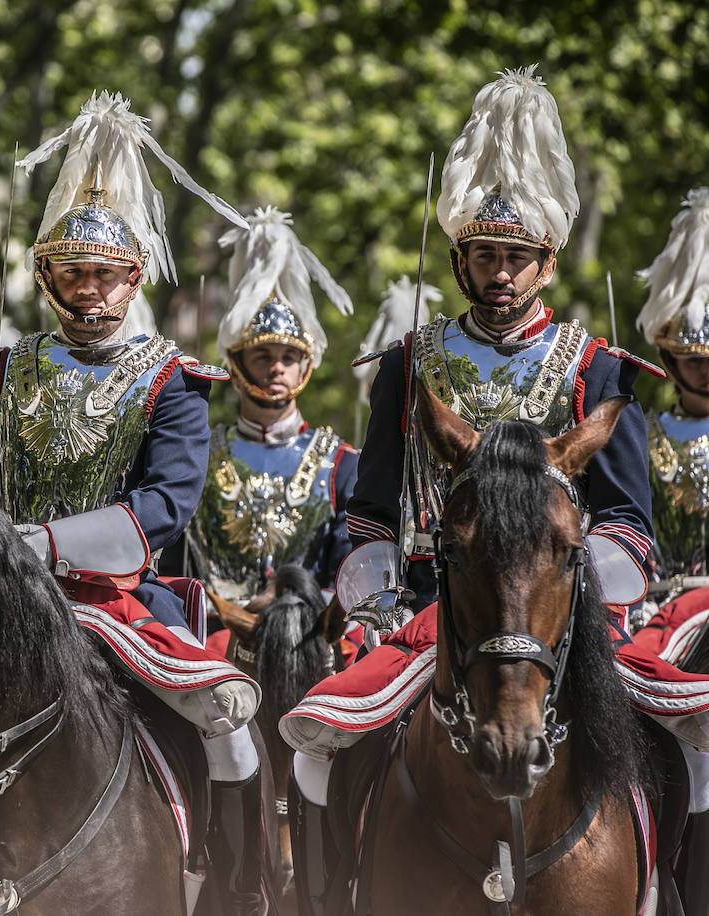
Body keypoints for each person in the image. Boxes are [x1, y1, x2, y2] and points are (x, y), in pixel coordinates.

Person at [279, 66, 709, 914]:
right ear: (459, 261)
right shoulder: (407, 368)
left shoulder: (599, 368)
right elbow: (368, 511)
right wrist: (374, 598)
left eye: (516, 258)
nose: (501, 273)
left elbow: (627, 522)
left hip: (565, 614)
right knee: (316, 748)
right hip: (436, 611)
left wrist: (583, 585)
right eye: (485, 257)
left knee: (692, 742)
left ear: (546, 262)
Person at [0, 91, 264, 914]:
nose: (90, 291)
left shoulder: (172, 380)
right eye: (73, 273)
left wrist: (37, 545)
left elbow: (164, 504)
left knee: (227, 727)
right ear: (47, 278)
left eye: (106, 275)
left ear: (134, 278)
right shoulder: (1, 371)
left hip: (117, 596)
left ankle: (236, 883)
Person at [187, 207, 357, 621]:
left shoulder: (342, 463)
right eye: (263, 355)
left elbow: (348, 573)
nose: (277, 367)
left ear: (306, 365)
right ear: (235, 362)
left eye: (288, 357)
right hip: (212, 638)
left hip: (308, 639)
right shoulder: (195, 453)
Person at [633, 188, 709, 651]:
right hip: (662, 612)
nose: (705, 370)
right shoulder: (643, 435)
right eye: (694, 359)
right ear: (669, 357)